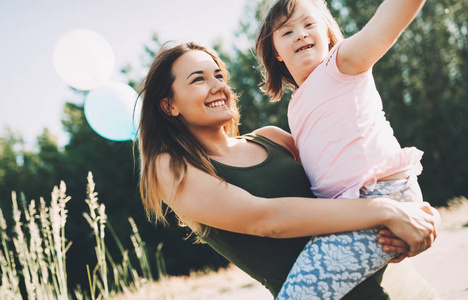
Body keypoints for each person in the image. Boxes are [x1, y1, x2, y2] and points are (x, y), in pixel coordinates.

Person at [137, 41, 439, 299]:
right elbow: (265, 220)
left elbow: (357, 179)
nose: (218, 86)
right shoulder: (170, 168)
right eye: (198, 79)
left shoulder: (273, 138)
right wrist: (385, 212)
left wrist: (416, 217)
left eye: (218, 75)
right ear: (169, 106)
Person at [255, 0, 430, 298]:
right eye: (287, 32)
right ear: (276, 53)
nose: (300, 34)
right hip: (349, 211)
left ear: (328, 33)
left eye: (309, 25)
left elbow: (390, 20)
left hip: (380, 195)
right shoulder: (296, 106)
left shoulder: (342, 64)